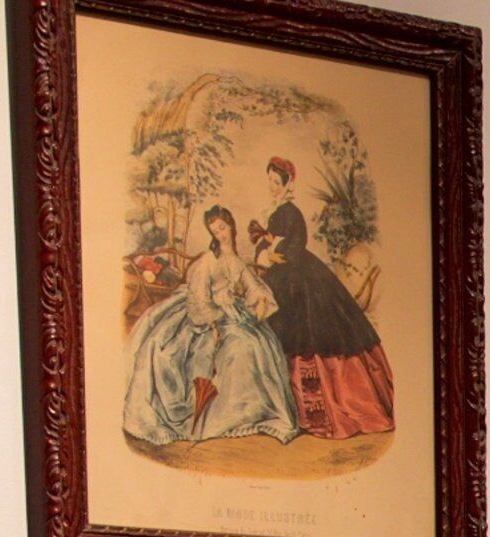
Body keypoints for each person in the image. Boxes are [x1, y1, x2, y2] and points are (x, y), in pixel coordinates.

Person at [120, 206, 297, 447]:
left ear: (231, 225)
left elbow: (252, 285)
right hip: (207, 318)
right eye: (215, 232)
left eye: (223, 228)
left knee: (256, 343)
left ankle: (254, 413)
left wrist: (259, 301)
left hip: (233, 315)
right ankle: (223, 419)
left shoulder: (235, 260)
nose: (221, 235)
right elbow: (199, 300)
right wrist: (214, 324)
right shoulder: (207, 261)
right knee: (237, 349)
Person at [252, 155, 393, 438]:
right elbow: (263, 244)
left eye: (276, 182)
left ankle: (315, 411)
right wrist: (265, 251)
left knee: (307, 334)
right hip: (280, 277)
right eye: (270, 181)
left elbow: (295, 246)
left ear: (288, 183)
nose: (272, 186)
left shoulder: (292, 212)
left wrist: (273, 253)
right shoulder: (275, 211)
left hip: (298, 278)